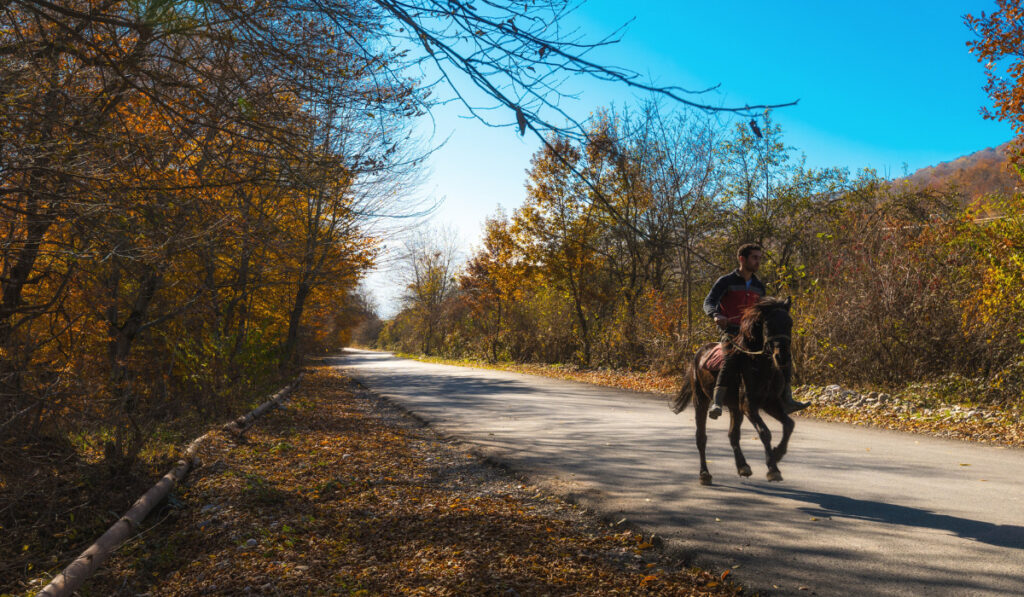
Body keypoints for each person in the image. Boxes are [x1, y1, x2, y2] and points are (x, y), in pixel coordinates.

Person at [702, 243, 808, 419]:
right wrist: (715, 315)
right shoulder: (726, 281)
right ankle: (717, 403)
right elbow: (709, 301)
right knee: (730, 360)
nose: (758, 261)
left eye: (760, 258)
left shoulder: (759, 285)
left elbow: (764, 311)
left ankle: (787, 398)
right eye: (754, 257)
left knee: (782, 354)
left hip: (754, 334)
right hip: (732, 333)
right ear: (742, 259)